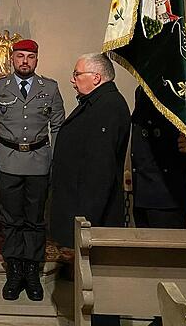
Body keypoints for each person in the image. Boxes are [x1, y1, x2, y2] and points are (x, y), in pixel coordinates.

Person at [0, 39, 65, 301]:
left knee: (35, 219)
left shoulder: (49, 88)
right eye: (20, 56)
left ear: (37, 60)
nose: (25, 61)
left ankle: (32, 270)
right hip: (8, 161)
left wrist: (54, 159)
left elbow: (58, 125)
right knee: (11, 218)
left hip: (39, 162)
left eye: (30, 56)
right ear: (12, 59)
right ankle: (14, 270)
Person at [50, 53, 130, 248]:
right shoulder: (95, 102)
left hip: (89, 212)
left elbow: (101, 166)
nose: (72, 79)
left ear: (96, 77)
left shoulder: (108, 107)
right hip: (78, 203)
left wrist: (87, 219)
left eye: (77, 74)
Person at [131, 86, 186, 229]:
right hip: (144, 194)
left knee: (167, 249)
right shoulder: (142, 91)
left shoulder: (172, 93)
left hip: (167, 198)